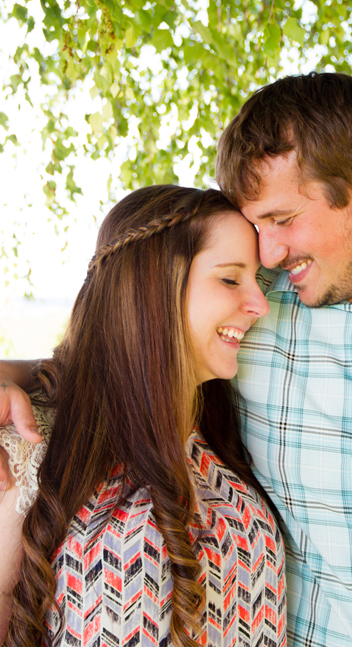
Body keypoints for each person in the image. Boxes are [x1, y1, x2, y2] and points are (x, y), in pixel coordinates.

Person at [2, 71, 352, 647]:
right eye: (257, 230)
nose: (271, 253)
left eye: (282, 220)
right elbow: (134, 343)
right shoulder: (262, 304)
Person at [0, 184, 286, 646]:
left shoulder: (223, 450)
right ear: (153, 286)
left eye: (257, 280)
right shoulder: (33, 451)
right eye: (231, 279)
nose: (260, 304)